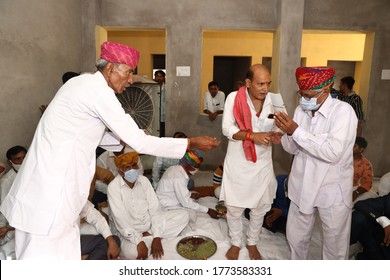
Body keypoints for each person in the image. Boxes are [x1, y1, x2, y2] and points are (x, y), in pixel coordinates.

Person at [0, 41, 220, 260]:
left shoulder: (80, 84)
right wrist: (190, 143)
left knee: (61, 256)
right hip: (50, 197)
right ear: (110, 68)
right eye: (129, 72)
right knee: (42, 261)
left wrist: (124, 140)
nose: (131, 80)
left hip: (48, 193)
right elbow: (141, 143)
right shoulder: (99, 92)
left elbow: (87, 133)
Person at [274, 66, 358, 260]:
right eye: (301, 94)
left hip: (332, 188)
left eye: (309, 95)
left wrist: (295, 131)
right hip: (302, 183)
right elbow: (294, 149)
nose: (305, 99)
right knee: (296, 239)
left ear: (326, 91)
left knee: (334, 245)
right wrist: (285, 134)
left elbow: (332, 152)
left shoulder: (343, 112)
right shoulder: (300, 110)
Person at [221, 64, 279, 260]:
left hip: (262, 162)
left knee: (260, 207)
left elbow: (281, 126)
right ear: (248, 83)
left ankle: (252, 242)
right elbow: (227, 129)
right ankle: (236, 242)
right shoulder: (233, 98)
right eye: (260, 83)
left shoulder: (274, 101)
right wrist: (251, 135)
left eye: (268, 83)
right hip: (238, 161)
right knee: (235, 208)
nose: (265, 88)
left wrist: (279, 135)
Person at [108, 152, 189, 260]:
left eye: (134, 165)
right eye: (127, 167)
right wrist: (138, 241)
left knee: (184, 215)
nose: (132, 169)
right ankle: (150, 241)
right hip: (128, 233)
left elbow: (155, 210)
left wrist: (156, 236)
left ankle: (150, 237)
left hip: (149, 226)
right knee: (132, 253)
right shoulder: (113, 187)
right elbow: (121, 221)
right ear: (120, 172)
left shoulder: (144, 181)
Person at [156, 149, 219, 222]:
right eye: (197, 166)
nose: (197, 169)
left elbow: (178, 190)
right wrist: (208, 210)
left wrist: (189, 195)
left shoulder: (174, 168)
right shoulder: (179, 177)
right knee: (190, 215)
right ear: (189, 166)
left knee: (194, 195)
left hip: (170, 199)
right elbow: (186, 203)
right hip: (167, 206)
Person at [350, 172, 390, 259]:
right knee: (358, 217)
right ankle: (344, 248)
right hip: (377, 242)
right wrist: (385, 222)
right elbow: (360, 204)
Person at [0, 146, 27, 259]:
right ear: (10, 162)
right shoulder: (6, 181)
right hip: (13, 224)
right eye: (17, 159)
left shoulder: (31, 172)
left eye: (24, 158)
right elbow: (3, 208)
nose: (22, 162)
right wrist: (3, 228)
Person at [352, 136, 374, 202]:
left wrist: (356, 192)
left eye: (354, 146)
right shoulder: (341, 157)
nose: (351, 147)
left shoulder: (366, 164)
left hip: (352, 187)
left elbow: (367, 183)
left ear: (361, 149)